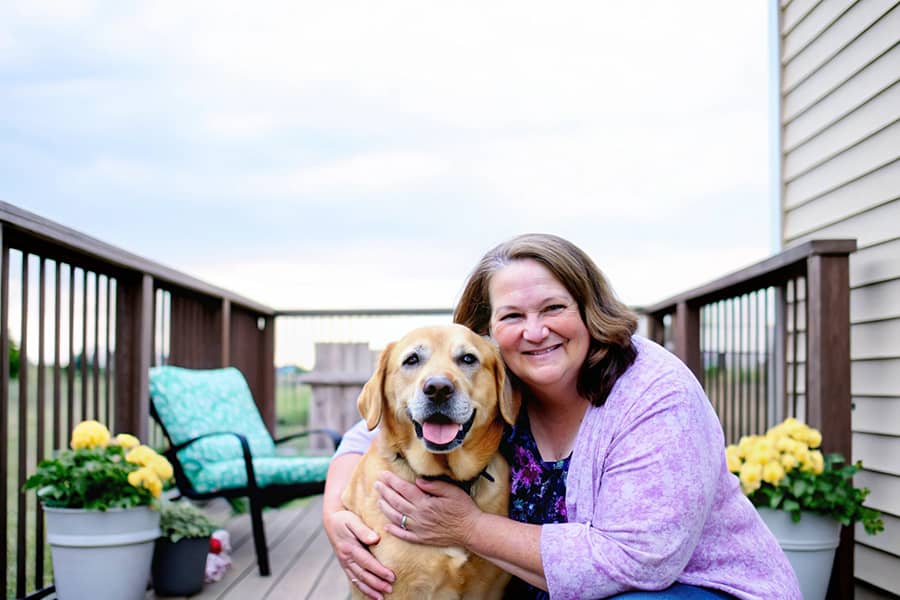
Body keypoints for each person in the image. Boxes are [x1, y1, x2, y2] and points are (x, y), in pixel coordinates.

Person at [323, 233, 801, 600]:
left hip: (696, 590)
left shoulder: (655, 392)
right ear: (488, 332)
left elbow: (639, 562)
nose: (535, 332)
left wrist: (467, 528)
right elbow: (386, 425)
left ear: (590, 310)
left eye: (554, 308)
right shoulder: (499, 380)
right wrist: (336, 511)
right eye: (512, 317)